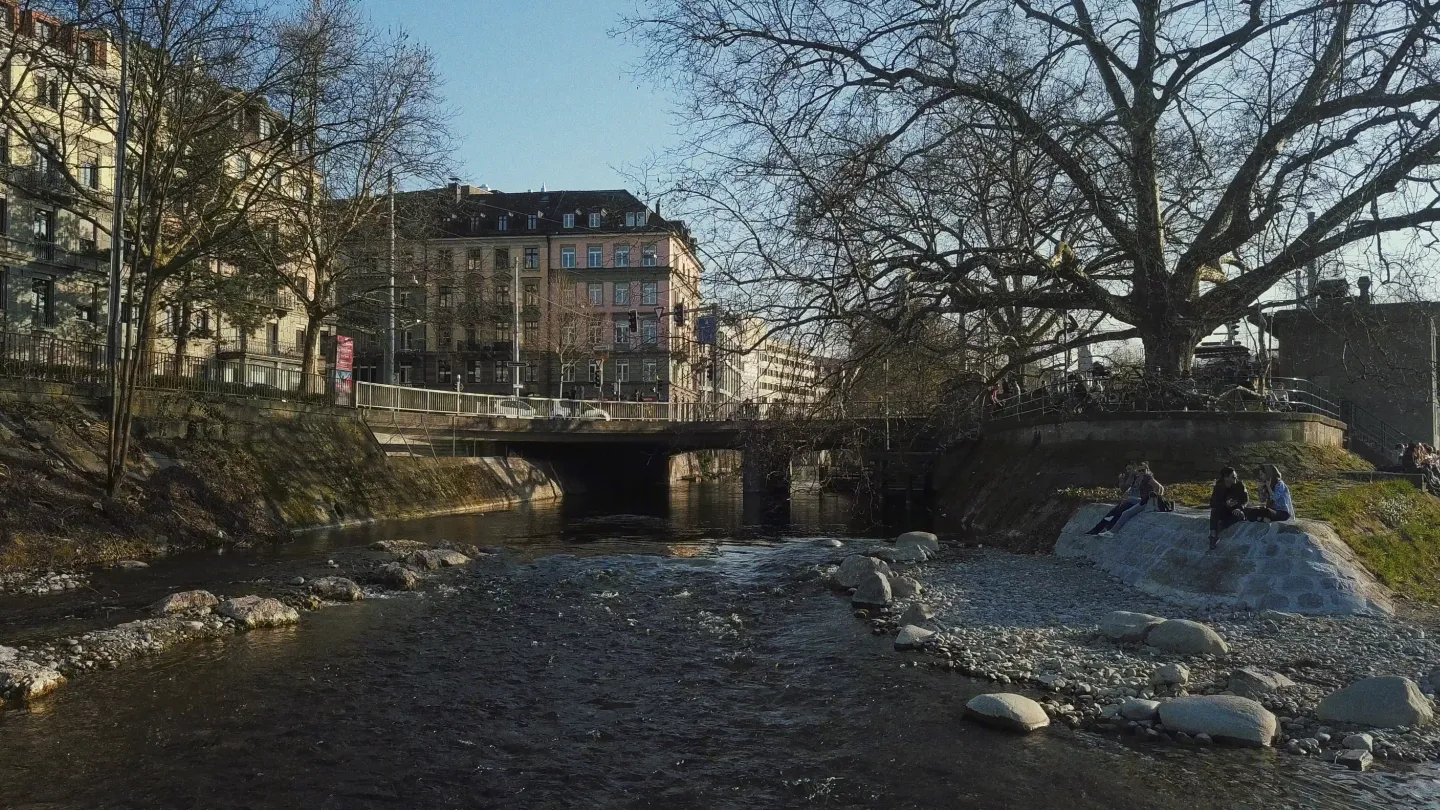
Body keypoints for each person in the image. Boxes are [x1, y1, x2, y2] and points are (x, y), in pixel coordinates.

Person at [1104, 462, 1163, 536]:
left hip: (1146, 502)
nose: (1141, 472)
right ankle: (1113, 516)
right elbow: (1125, 488)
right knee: (1127, 499)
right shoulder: (1140, 478)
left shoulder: (1147, 478)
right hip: (1142, 500)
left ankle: (1112, 532)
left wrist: (1156, 498)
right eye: (1139, 470)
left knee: (1126, 513)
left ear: (1147, 469)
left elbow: (1159, 487)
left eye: (1143, 470)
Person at [1085, 464, 1141, 536]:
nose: (1128, 471)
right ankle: (1097, 529)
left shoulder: (1141, 478)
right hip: (1129, 500)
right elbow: (1124, 489)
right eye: (1127, 469)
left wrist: (1128, 498)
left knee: (1119, 512)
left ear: (1135, 468)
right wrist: (1121, 481)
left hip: (1136, 502)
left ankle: (1108, 528)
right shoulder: (1132, 477)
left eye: (1129, 469)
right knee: (1111, 512)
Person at [1208, 467, 1249, 550]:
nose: (1235, 478)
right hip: (1224, 509)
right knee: (1214, 511)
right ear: (1226, 478)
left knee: (1238, 515)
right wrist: (1225, 504)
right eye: (1233, 477)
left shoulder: (1240, 486)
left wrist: (1240, 508)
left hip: (1235, 510)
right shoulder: (1218, 487)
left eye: (1235, 476)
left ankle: (1220, 526)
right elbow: (1213, 503)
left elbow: (1245, 500)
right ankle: (1213, 535)